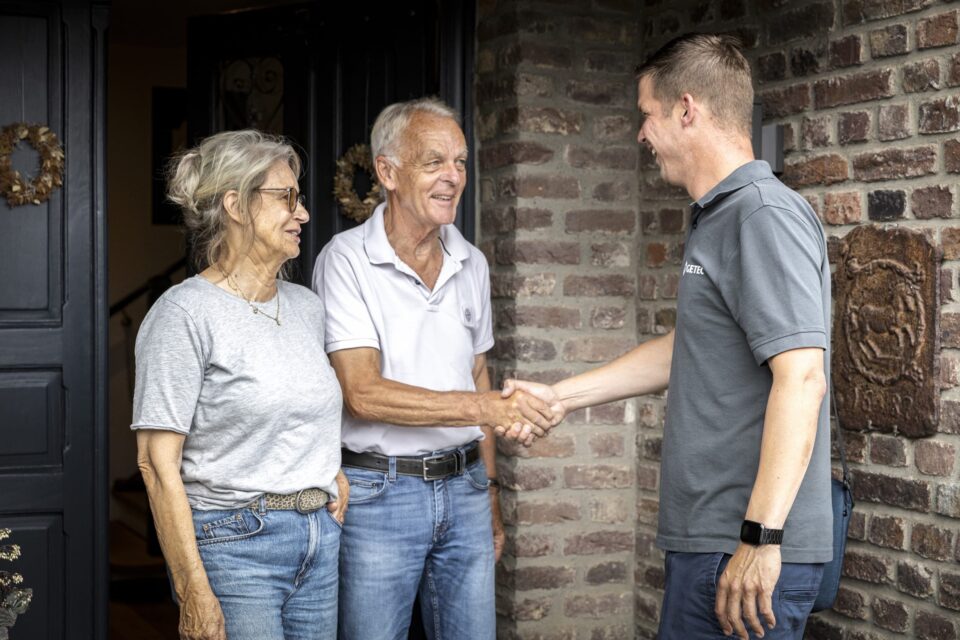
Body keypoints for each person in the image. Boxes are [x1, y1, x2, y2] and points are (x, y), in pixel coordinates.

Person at [503, 34, 832, 640]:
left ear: (687, 110)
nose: (641, 133)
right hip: (713, 544)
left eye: (646, 115)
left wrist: (760, 538)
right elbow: (691, 348)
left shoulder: (761, 214)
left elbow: (803, 377)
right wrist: (561, 397)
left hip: (741, 548)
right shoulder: (721, 215)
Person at [313, 98, 555, 640]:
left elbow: (478, 376)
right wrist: (482, 409)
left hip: (467, 488)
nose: (453, 176)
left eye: (461, 162)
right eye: (434, 162)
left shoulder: (472, 262)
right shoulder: (346, 261)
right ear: (387, 172)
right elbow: (362, 393)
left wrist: (491, 493)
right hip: (379, 494)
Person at [133, 130, 348, 640]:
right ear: (235, 204)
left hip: (319, 541)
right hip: (234, 545)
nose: (303, 214)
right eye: (286, 198)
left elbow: (299, 407)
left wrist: (325, 468)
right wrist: (192, 591)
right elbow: (156, 464)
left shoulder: (306, 308)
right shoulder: (184, 313)